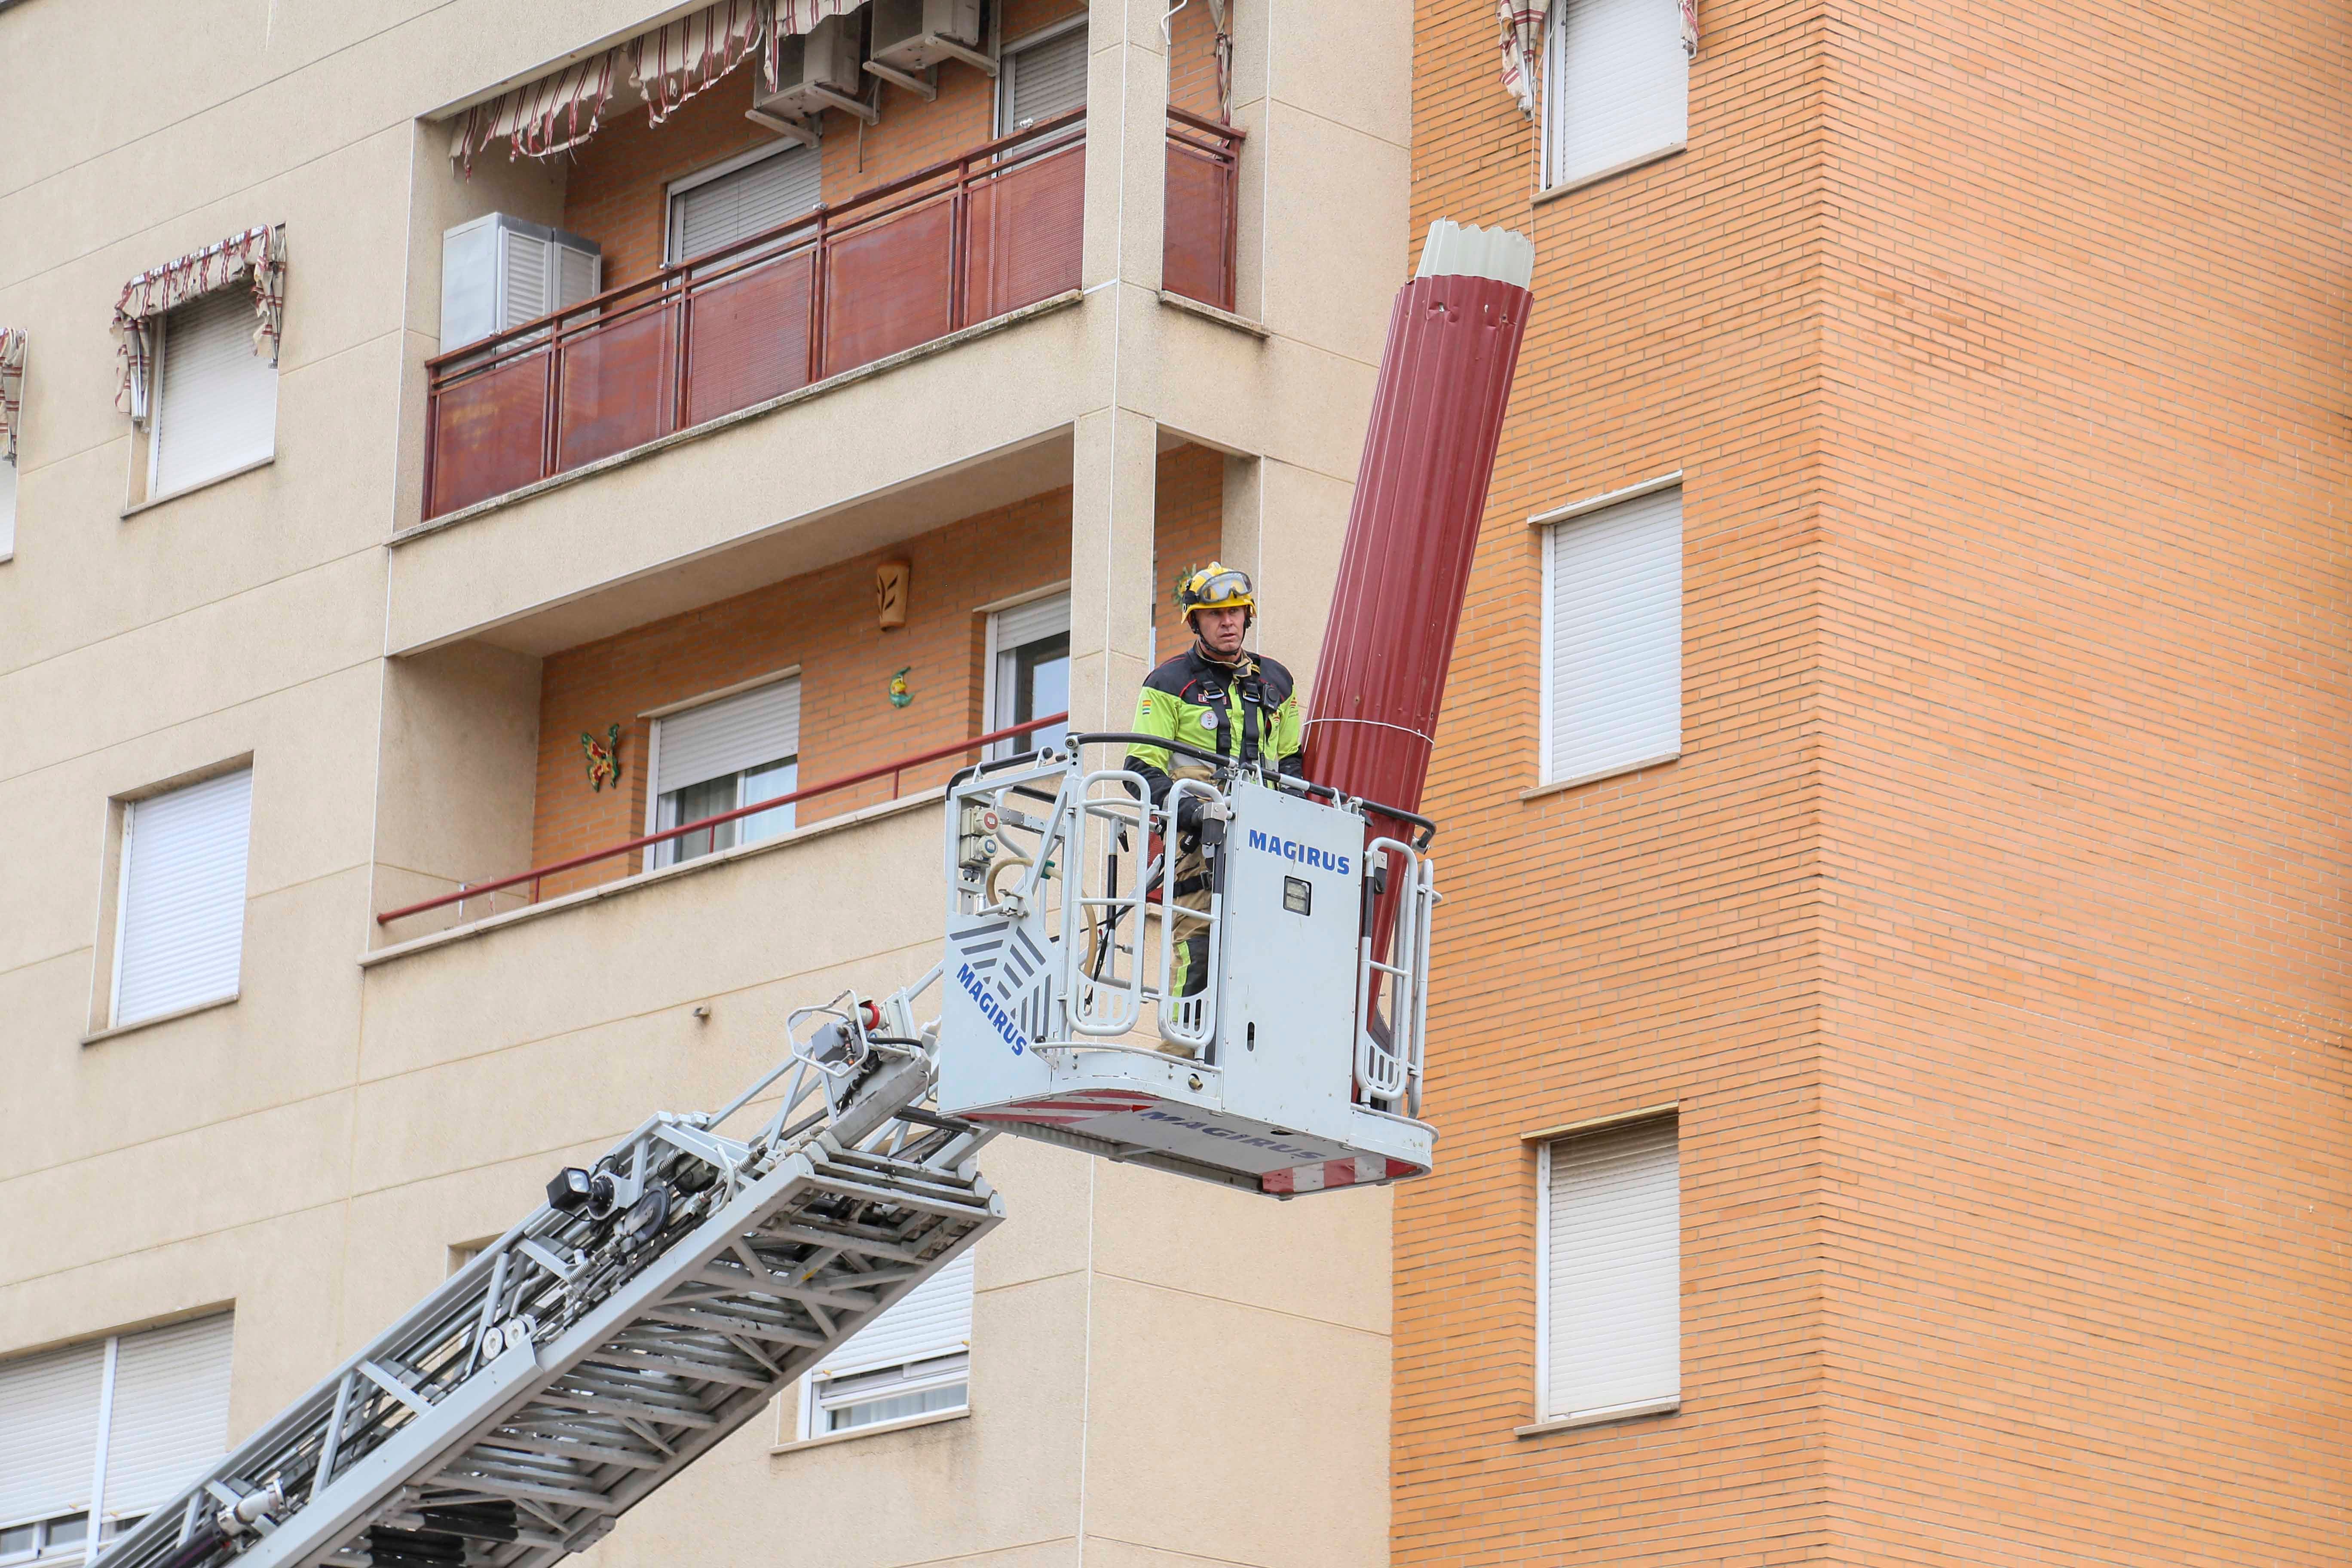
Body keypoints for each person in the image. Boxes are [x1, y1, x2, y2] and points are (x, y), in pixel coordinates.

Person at [1124, 564, 1305, 1021]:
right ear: (1196, 622)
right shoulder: (1167, 683)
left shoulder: (1277, 683)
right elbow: (1139, 771)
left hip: (1266, 840)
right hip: (1199, 843)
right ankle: (1181, 1050)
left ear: (1248, 616)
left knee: (1272, 959)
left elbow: (1291, 766)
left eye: (1236, 613)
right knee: (1200, 953)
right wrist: (1192, 813)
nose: (1229, 622)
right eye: (1216, 614)